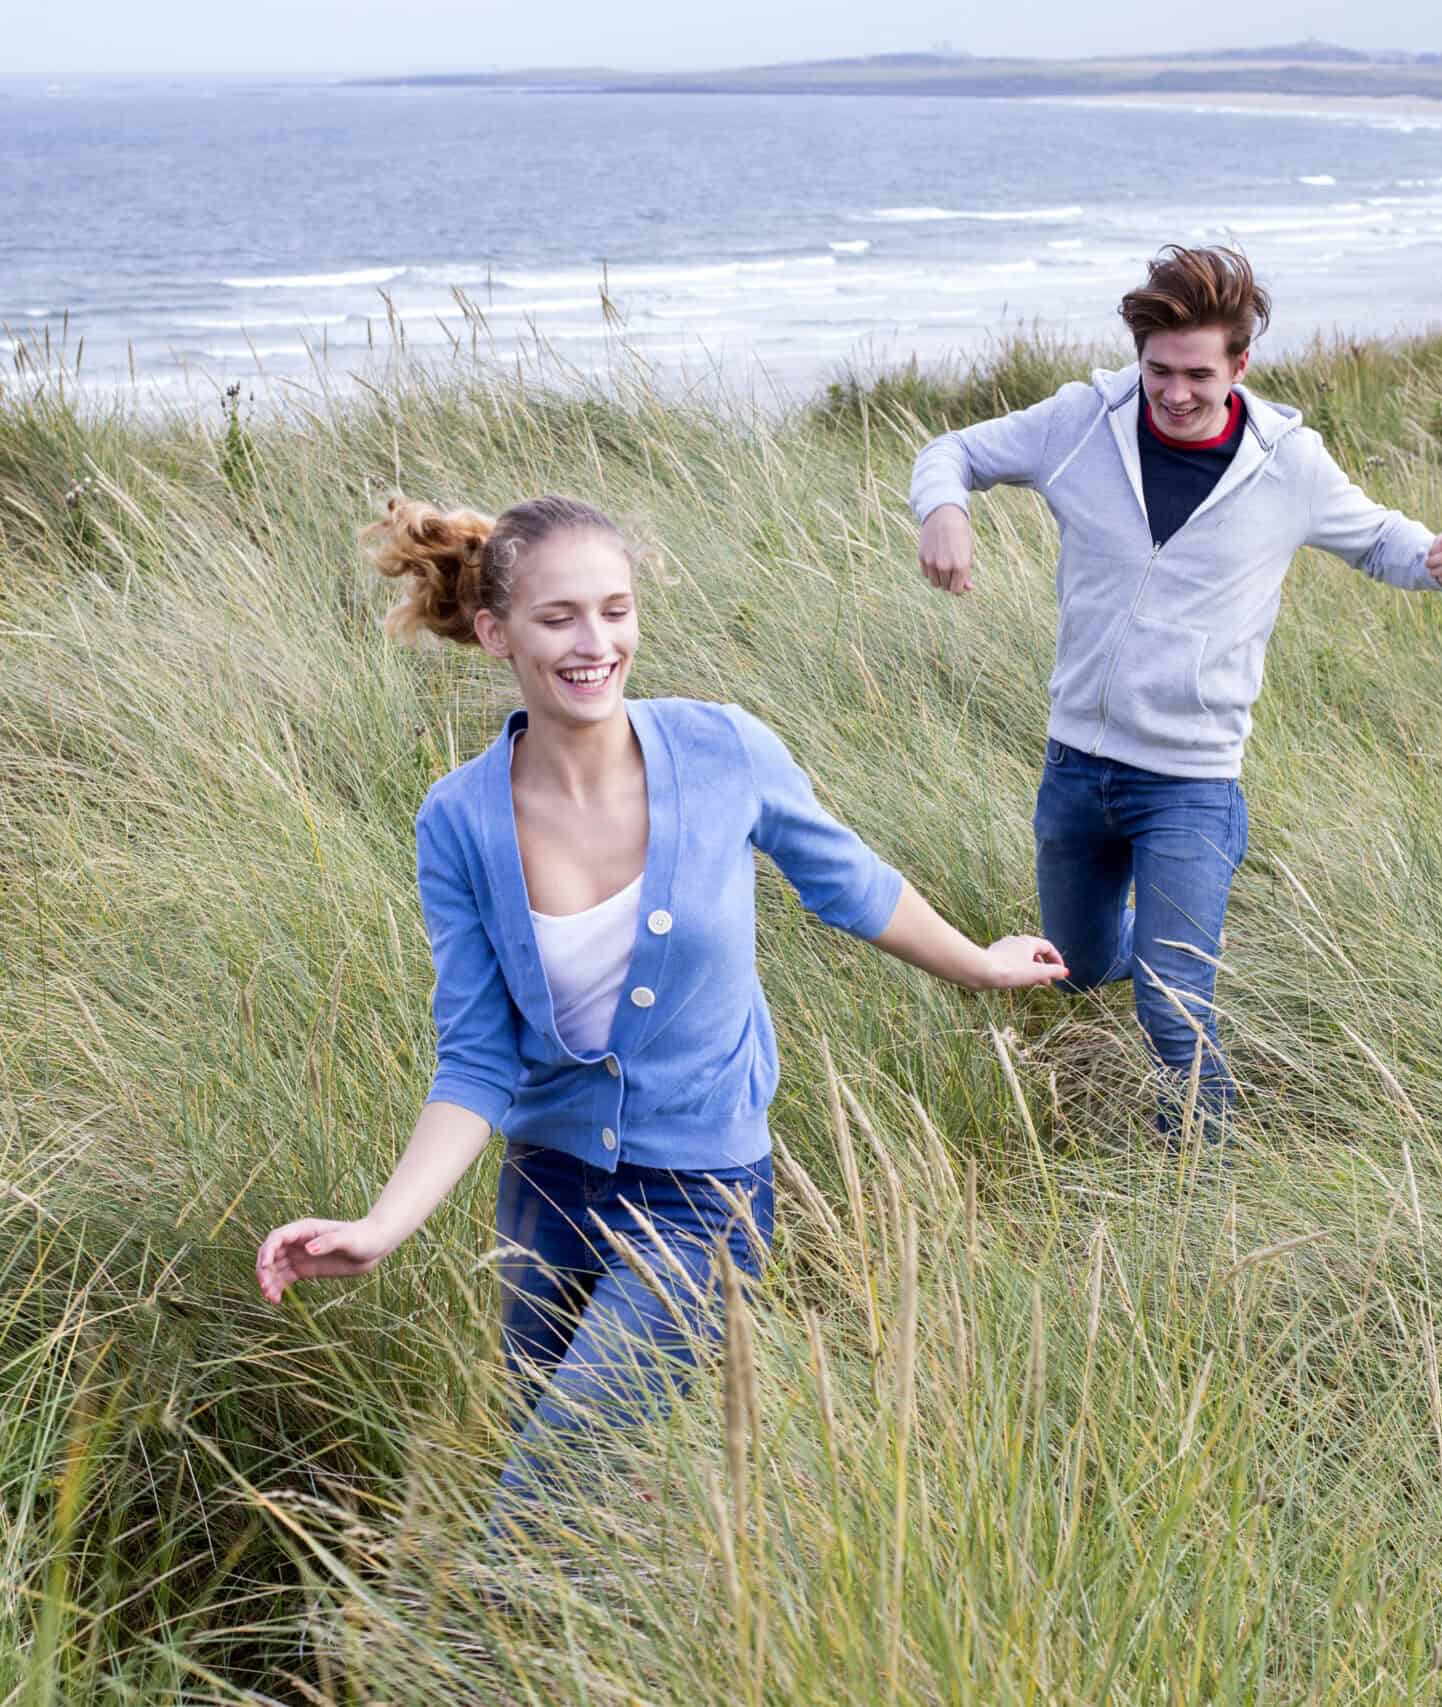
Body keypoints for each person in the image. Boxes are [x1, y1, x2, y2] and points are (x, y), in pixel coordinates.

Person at [255, 493, 1065, 1516]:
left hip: (702, 1201)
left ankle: (454, 1655)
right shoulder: (457, 819)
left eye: (615, 610)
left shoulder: (723, 752)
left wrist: (976, 966)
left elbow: (850, 884)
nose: (595, 643)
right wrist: (383, 1224)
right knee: (574, 1491)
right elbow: (477, 1058)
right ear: (498, 635)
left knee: (537, 1509)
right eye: (559, 619)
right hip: (543, 1197)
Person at [908, 245, 1442, 1138]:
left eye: (1198, 375)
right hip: (1075, 768)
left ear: (1240, 365)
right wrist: (944, 509)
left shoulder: (1286, 464)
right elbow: (951, 451)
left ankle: (1203, 1177)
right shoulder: (1079, 424)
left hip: (1190, 783)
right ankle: (1170, 925)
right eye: (1157, 371)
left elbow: (1376, 538)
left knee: (1172, 1010)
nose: (1174, 394)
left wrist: (1432, 557)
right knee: (1087, 965)